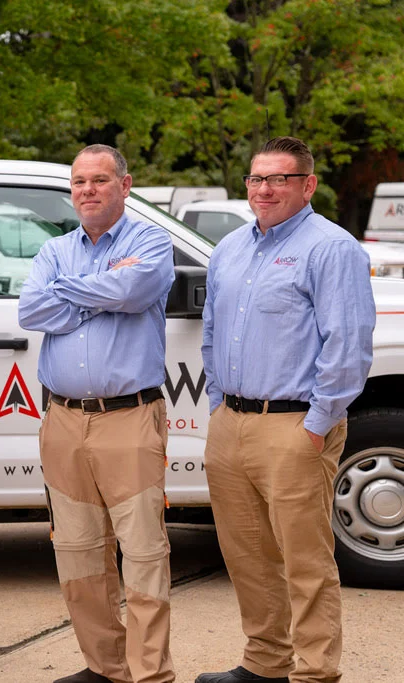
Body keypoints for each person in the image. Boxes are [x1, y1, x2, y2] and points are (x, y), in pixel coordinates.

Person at [196, 137, 376, 683]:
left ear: (308, 185)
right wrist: (218, 407)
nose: (265, 189)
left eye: (280, 179)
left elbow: (348, 346)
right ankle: (264, 662)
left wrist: (317, 424)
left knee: (305, 561)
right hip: (233, 425)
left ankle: (316, 672)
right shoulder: (229, 248)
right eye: (256, 179)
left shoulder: (332, 248)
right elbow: (210, 333)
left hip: (296, 426)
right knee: (248, 556)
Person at [18, 144, 176, 683]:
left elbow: (136, 290)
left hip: (128, 418)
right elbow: (31, 308)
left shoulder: (151, 241)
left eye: (100, 180)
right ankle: (106, 668)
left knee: (143, 553)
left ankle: (149, 673)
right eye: (80, 181)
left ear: (125, 186)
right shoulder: (54, 249)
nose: (87, 190)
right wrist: (103, 285)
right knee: (78, 551)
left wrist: (73, 291)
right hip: (62, 420)